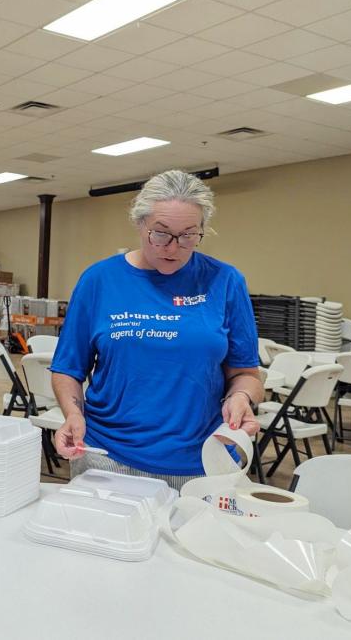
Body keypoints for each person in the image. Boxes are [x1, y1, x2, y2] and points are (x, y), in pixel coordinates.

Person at [51, 169, 262, 491]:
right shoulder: (99, 280)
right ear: (139, 225)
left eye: (189, 235)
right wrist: (72, 414)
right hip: (108, 455)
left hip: (204, 459)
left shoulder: (225, 280)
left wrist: (242, 396)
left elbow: (246, 372)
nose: (174, 248)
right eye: (160, 234)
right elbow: (68, 368)